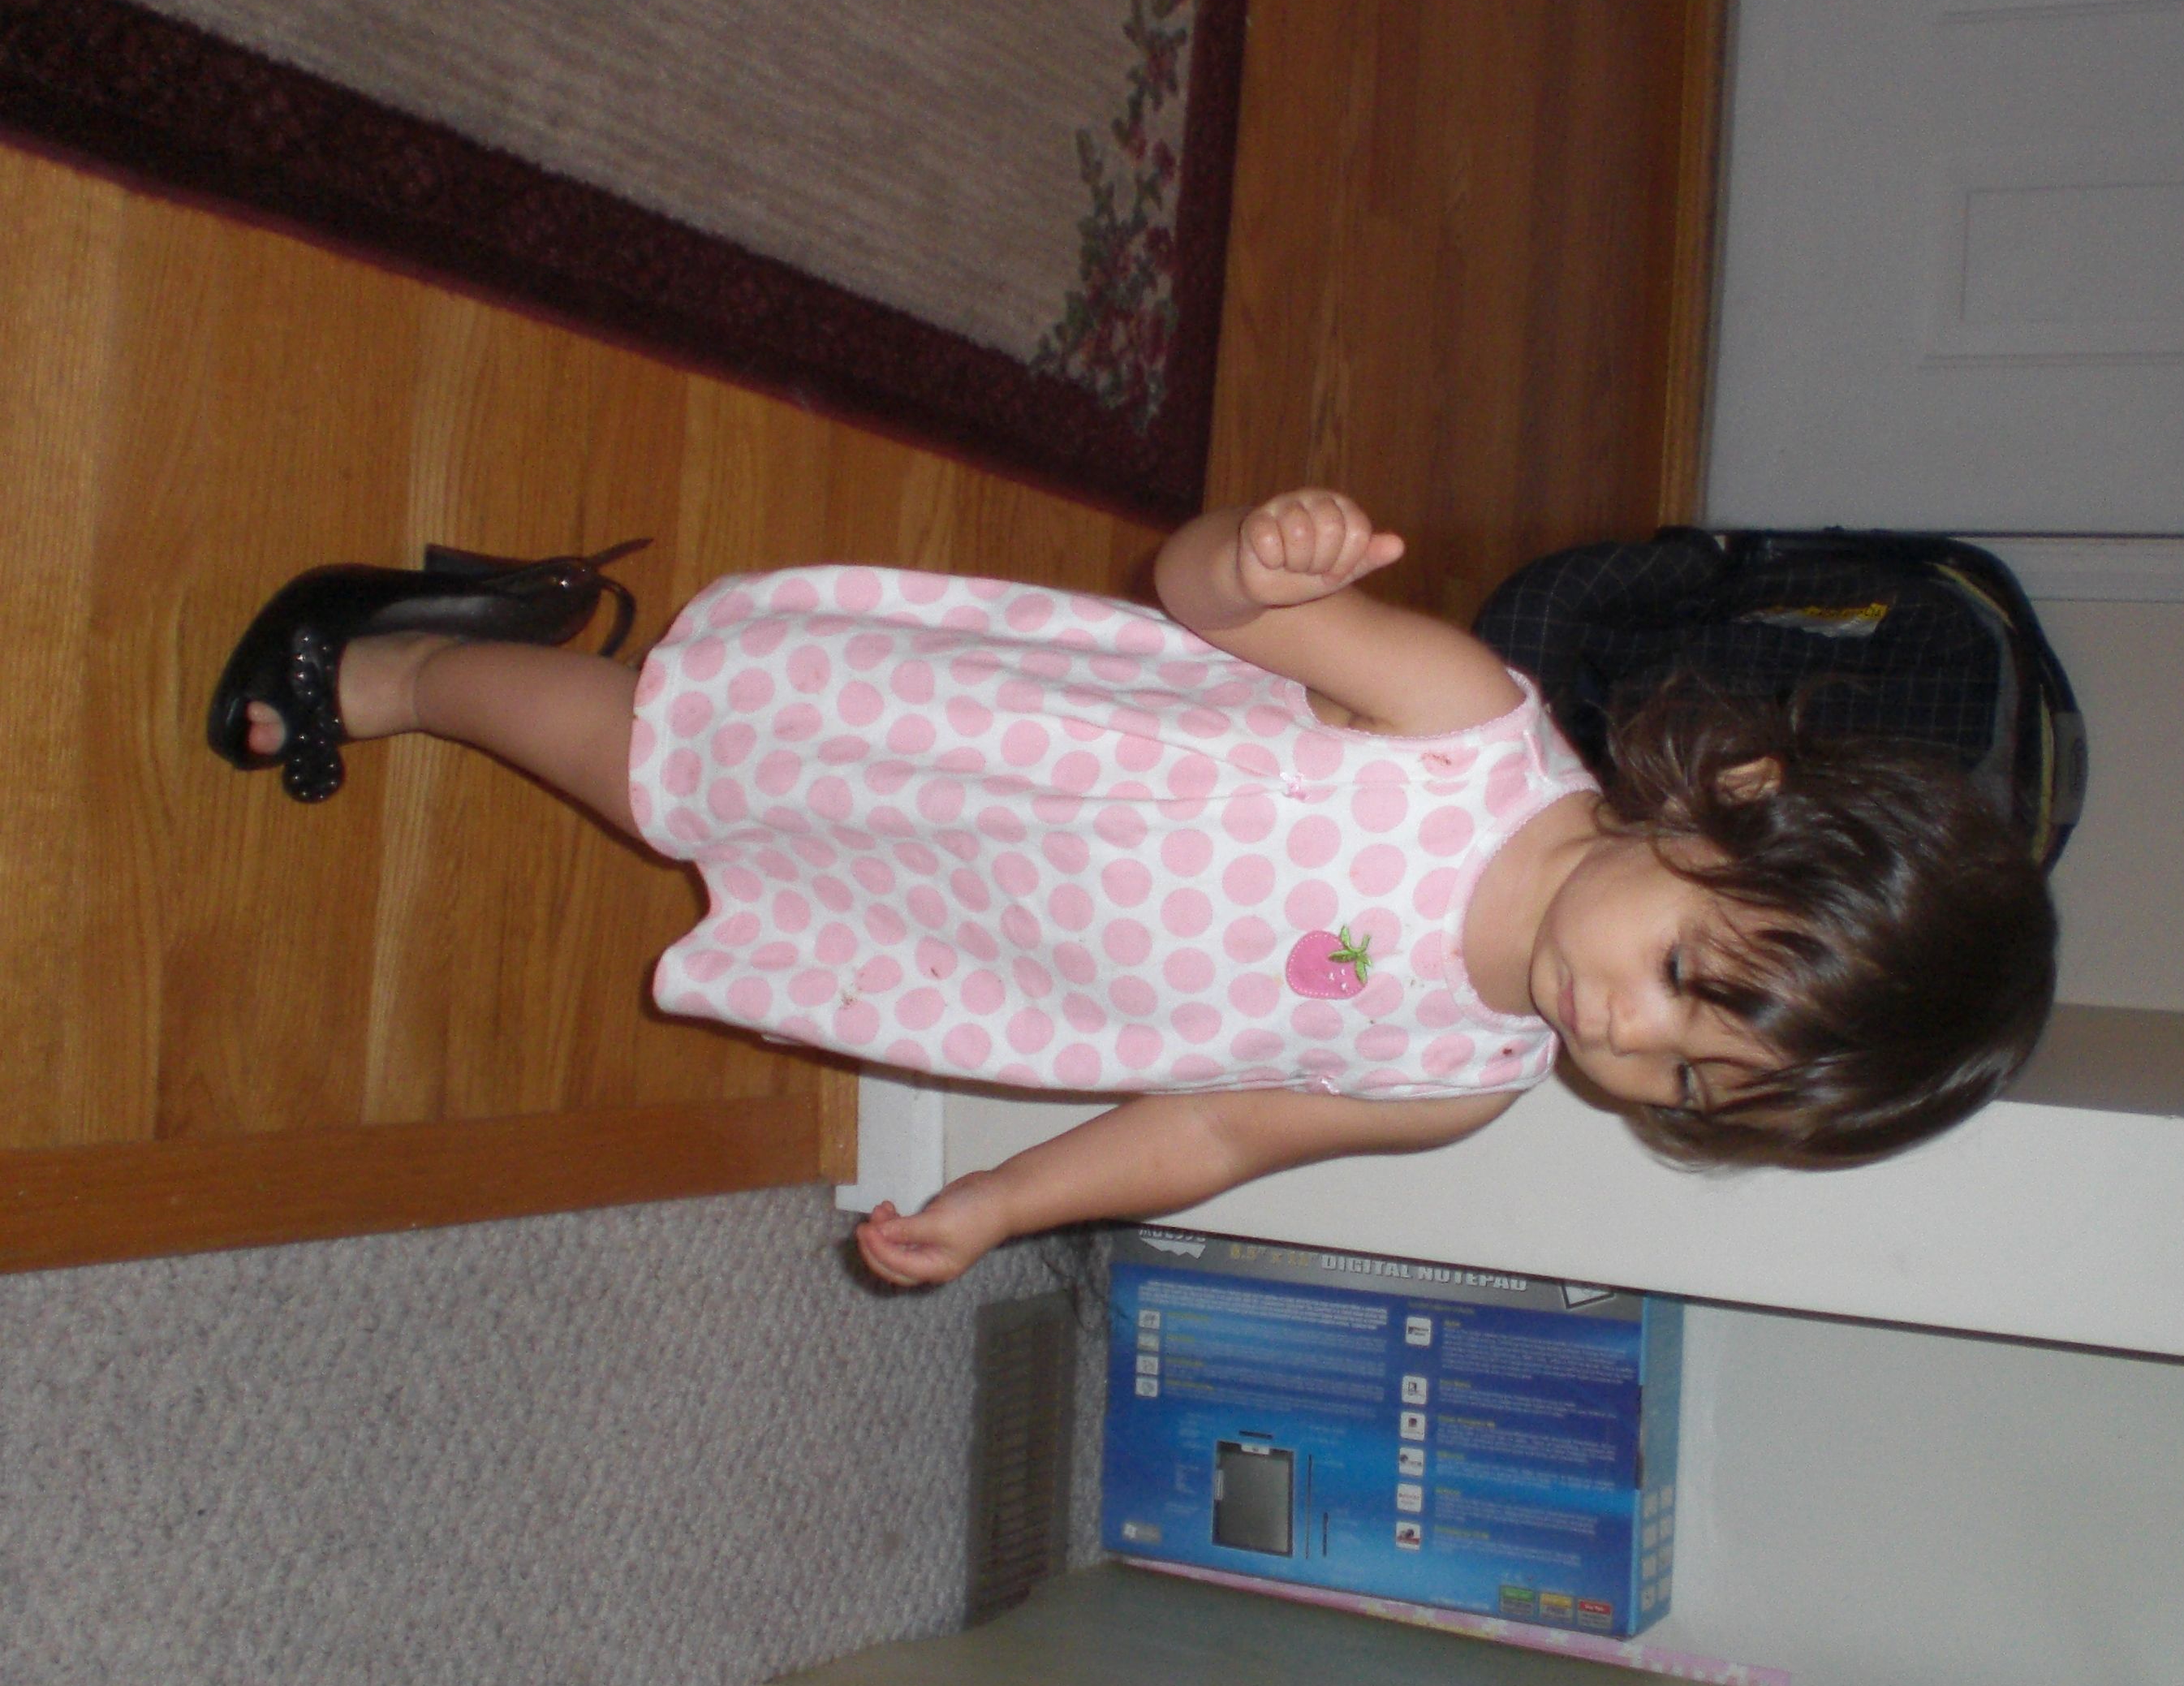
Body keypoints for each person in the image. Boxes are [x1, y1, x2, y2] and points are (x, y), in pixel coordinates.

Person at [211, 489, 2057, 1286]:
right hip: (966, 762)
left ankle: (474, 636)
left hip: (974, 942)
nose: (1628, 1035)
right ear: (1733, 803)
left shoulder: (1454, 1080)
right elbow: (1198, 598)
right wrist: (1262, 558)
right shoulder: (1466, 727)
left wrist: (1005, 1204)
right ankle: (412, 666)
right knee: (660, 770)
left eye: (1690, 1075)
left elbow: (1212, 1133)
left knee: (704, 846)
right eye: (1687, 973)